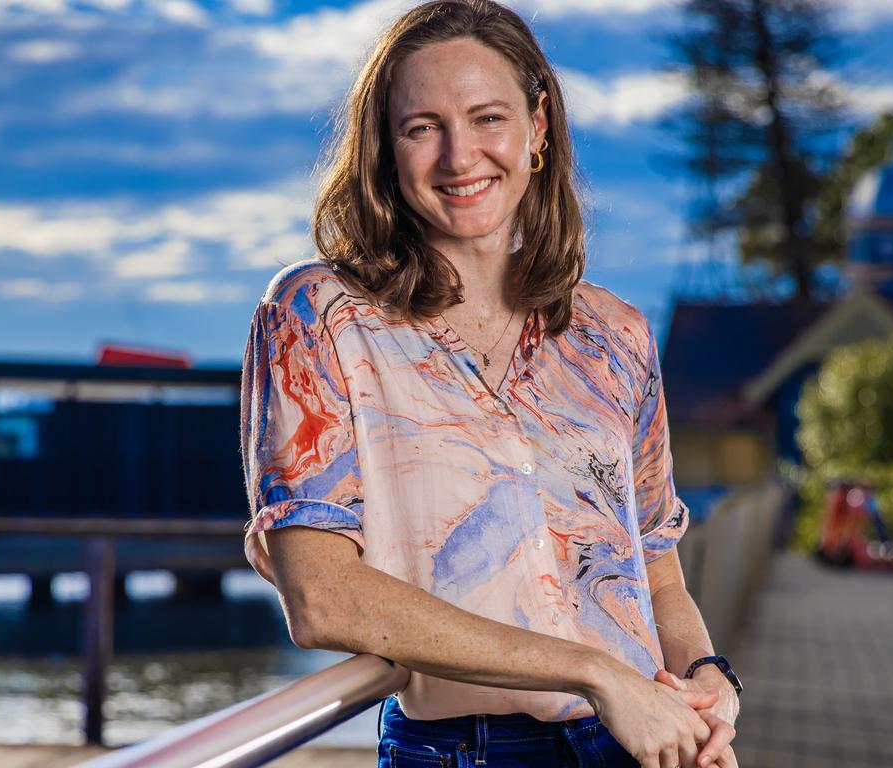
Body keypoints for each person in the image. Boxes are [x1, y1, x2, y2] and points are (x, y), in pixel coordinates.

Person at [239, 2, 741, 766]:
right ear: (386, 148)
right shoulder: (317, 318)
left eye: (487, 118)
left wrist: (709, 681)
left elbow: (657, 567)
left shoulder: (617, 336)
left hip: (648, 737)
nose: (459, 155)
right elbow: (321, 598)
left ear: (538, 127)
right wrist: (593, 672)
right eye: (422, 127)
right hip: (465, 749)